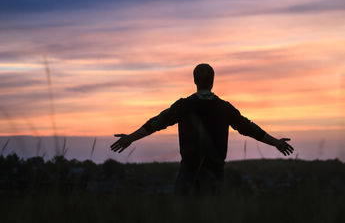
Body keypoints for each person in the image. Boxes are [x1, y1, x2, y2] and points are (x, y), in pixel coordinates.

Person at [111, 63, 294, 194]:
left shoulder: (183, 105)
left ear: (194, 81)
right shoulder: (224, 108)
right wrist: (276, 143)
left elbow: (155, 123)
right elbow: (250, 128)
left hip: (188, 172)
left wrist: (130, 138)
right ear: (213, 81)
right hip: (215, 175)